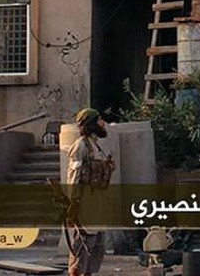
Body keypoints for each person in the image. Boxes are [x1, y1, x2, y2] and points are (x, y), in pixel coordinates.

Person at [65, 108, 116, 276]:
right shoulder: (80, 146)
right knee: (81, 253)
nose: (103, 123)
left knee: (95, 253)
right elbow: (74, 178)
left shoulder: (97, 147)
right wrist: (73, 205)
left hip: (97, 206)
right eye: (100, 120)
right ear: (92, 124)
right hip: (85, 207)